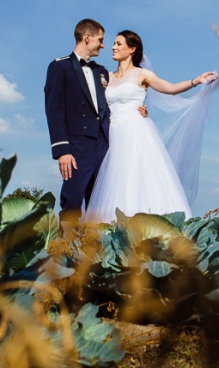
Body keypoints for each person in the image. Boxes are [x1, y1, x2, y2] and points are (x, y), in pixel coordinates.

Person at [84, 29, 217, 223]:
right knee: (116, 180)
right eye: (113, 43)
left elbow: (170, 88)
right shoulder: (107, 77)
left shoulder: (142, 74)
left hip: (136, 132)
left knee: (138, 177)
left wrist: (196, 80)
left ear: (132, 49)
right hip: (113, 134)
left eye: (119, 44)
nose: (113, 47)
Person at [44, 19, 147, 226]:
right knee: (72, 200)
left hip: (103, 146)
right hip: (76, 148)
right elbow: (54, 111)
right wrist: (62, 151)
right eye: (100, 40)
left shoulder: (102, 72)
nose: (103, 45)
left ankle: (96, 245)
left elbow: (116, 101)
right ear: (87, 37)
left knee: (100, 203)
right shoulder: (60, 67)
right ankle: (67, 245)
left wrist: (139, 110)